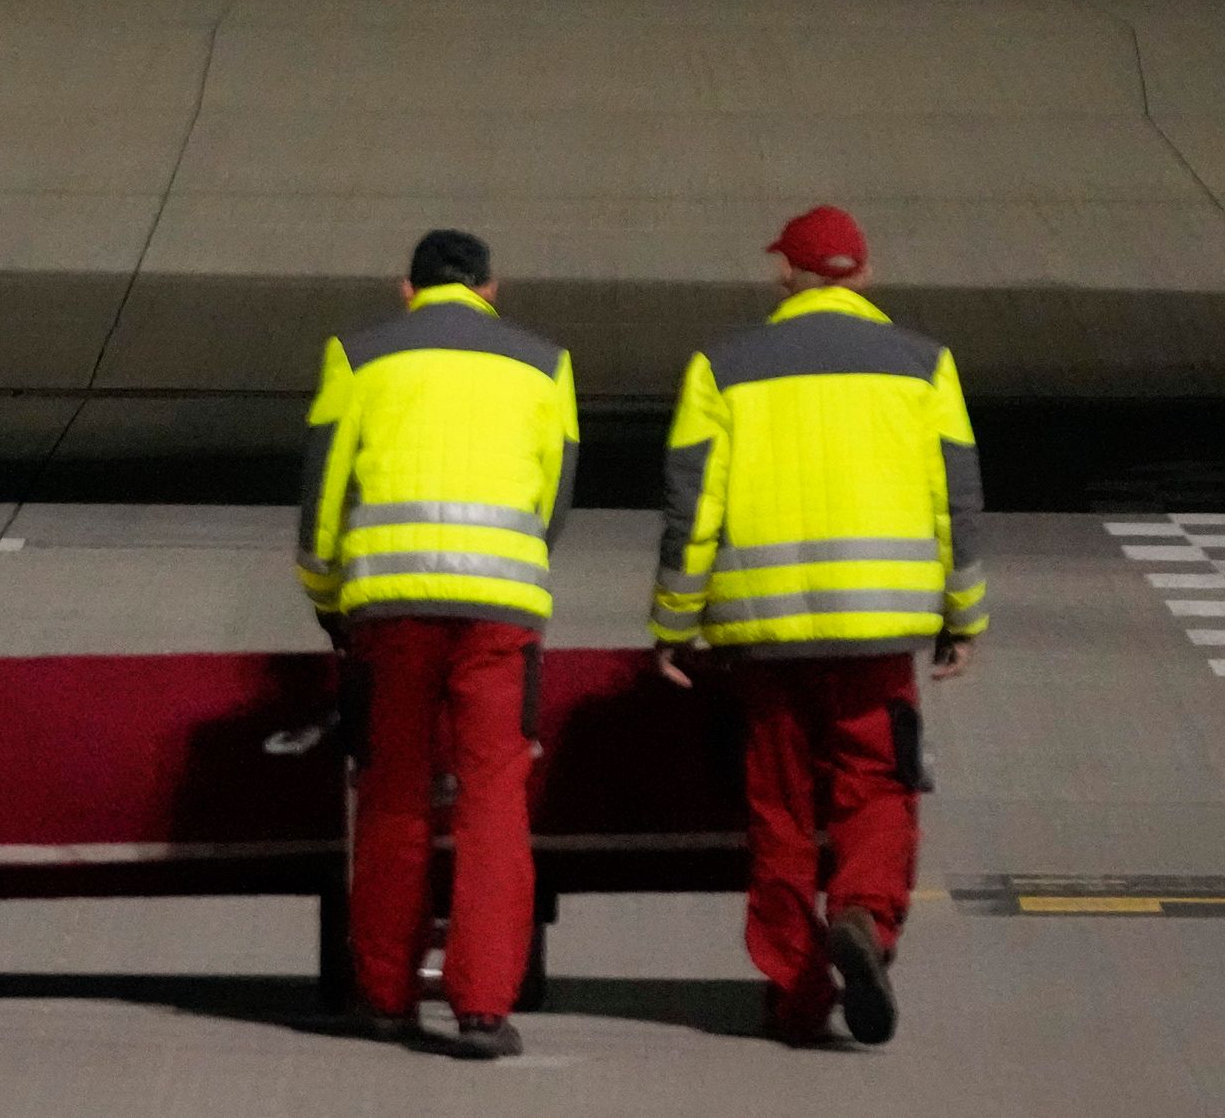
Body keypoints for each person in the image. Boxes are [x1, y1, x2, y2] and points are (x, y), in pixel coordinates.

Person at [648, 205, 986, 1049]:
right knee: (877, 787)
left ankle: (796, 996)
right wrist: (962, 615)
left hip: (764, 634)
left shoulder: (723, 367)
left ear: (786, 275)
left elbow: (693, 508)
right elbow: (958, 498)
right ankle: (866, 920)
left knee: (782, 809)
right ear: (864, 275)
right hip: (879, 629)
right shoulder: (923, 365)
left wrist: (674, 623)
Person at [296, 229, 580, 1059]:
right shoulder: (545, 364)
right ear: (494, 287)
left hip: (390, 607)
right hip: (500, 610)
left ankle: (384, 997)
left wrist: (328, 599)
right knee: (495, 801)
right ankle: (484, 1009)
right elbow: (555, 497)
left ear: (406, 289)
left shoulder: (358, 356)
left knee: (392, 794)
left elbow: (321, 498)